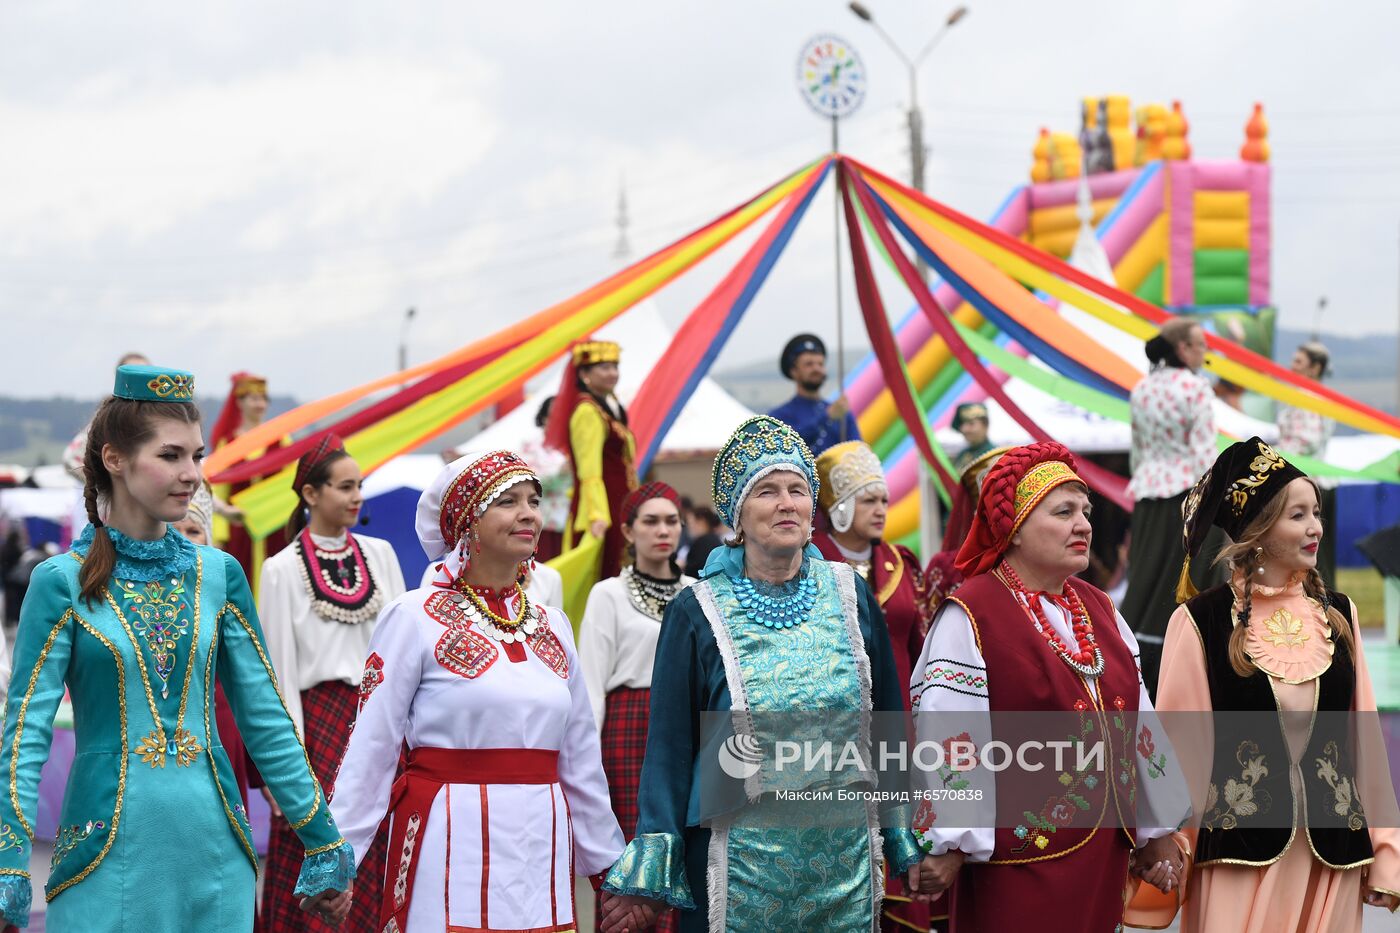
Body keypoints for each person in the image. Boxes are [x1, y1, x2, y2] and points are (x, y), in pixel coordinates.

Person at [0, 364, 353, 931]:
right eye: (170, 456)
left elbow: (265, 718)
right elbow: (25, 733)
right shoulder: (60, 582)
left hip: (216, 860)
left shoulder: (219, 574)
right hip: (102, 857)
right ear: (114, 458)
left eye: (197, 455)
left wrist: (324, 841)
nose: (191, 474)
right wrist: (8, 864)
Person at [599, 415, 924, 932]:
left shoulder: (850, 594)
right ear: (738, 515)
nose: (786, 503)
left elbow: (886, 718)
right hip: (734, 860)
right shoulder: (695, 610)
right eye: (767, 491)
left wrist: (899, 825)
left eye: (798, 489)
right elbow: (669, 745)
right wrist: (657, 851)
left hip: (846, 860)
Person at [328, 449, 626, 932]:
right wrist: (336, 854)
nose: (528, 512)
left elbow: (581, 760)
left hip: (541, 842)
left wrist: (608, 865)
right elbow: (372, 746)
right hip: (450, 835)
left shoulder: (553, 624)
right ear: (466, 522)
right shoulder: (414, 616)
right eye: (507, 501)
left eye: (533, 500)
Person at [909, 441, 1187, 932]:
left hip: (1103, 854)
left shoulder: (1098, 607)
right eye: (1063, 512)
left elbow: (1138, 720)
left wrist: (1155, 830)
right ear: (1013, 527)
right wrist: (953, 841)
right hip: (1018, 863)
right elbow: (952, 736)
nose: (1083, 525)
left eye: (1085, 510)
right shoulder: (972, 612)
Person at [1156, 437, 1400, 931]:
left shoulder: (1339, 615)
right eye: (1298, 515)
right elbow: (1180, 749)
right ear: (1259, 530)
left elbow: (1364, 743)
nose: (1316, 528)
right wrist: (1170, 845)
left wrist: (1387, 849)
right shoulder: (1200, 621)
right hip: (1237, 860)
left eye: (1317, 512)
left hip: (1331, 857)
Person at [258, 435, 406, 932]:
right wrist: (288, 766)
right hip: (317, 729)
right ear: (311, 494)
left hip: (378, 717)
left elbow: (405, 647)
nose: (356, 496)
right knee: (321, 845)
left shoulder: (381, 554)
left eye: (359, 485)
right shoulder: (280, 569)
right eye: (345, 487)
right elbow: (277, 669)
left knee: (382, 843)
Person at [809, 439, 934, 932]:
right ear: (839, 507)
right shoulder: (808, 563)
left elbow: (923, 646)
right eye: (868, 499)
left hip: (900, 727)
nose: (882, 509)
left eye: (884, 499)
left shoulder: (902, 562)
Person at [577, 482, 694, 932]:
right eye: (650, 521)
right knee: (633, 853)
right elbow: (590, 683)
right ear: (627, 531)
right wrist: (587, 764)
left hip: (688, 727)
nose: (662, 530)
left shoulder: (697, 591)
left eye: (670, 520)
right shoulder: (608, 594)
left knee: (690, 845)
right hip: (629, 732)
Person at [1122, 317, 1221, 696]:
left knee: (1145, 578)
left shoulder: (1142, 388)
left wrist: (1143, 482)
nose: (1204, 352)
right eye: (1200, 345)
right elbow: (1203, 452)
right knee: (1196, 575)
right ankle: (1188, 658)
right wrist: (1212, 499)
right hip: (1187, 495)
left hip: (1148, 493)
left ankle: (1132, 654)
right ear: (1183, 348)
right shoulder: (1196, 388)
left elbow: (1138, 449)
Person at [545, 340, 638, 580]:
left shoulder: (607, 408)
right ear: (584, 374)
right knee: (604, 571)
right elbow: (589, 472)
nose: (613, 373)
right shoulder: (587, 412)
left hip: (620, 502)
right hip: (604, 506)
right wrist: (597, 515)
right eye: (604, 367)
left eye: (615, 367)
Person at [209, 371, 290, 598]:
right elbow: (218, 491)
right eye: (253, 398)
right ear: (239, 403)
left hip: (275, 527)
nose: (259, 404)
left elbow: (291, 483)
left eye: (263, 398)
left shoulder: (280, 439)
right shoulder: (229, 444)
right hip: (240, 527)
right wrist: (220, 535)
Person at [1277, 340, 1338, 587]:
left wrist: (1274, 455)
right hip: (1316, 483)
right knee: (1317, 555)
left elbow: (1306, 441)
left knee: (1311, 557)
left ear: (1314, 368)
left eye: (1298, 361)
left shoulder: (1308, 398)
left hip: (1308, 485)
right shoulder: (1318, 397)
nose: (1292, 366)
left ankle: (1319, 608)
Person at [767, 333, 860, 456]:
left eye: (820, 364)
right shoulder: (779, 417)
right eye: (809, 364)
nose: (816, 369)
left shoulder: (842, 415)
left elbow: (858, 453)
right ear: (794, 371)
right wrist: (826, 417)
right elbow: (786, 447)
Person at [521, 395, 573, 562]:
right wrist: (561, 472)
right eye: (554, 415)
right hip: (543, 523)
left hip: (573, 522)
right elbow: (530, 482)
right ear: (544, 417)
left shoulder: (576, 446)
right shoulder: (531, 446)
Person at [950, 403, 995, 473]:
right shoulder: (962, 455)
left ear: (985, 426)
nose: (964, 429)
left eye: (971, 424)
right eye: (962, 424)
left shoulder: (995, 455)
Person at [682, 504, 722, 579]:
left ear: (701, 521)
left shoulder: (702, 543)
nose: (689, 528)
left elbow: (693, 573)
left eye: (690, 523)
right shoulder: (714, 540)